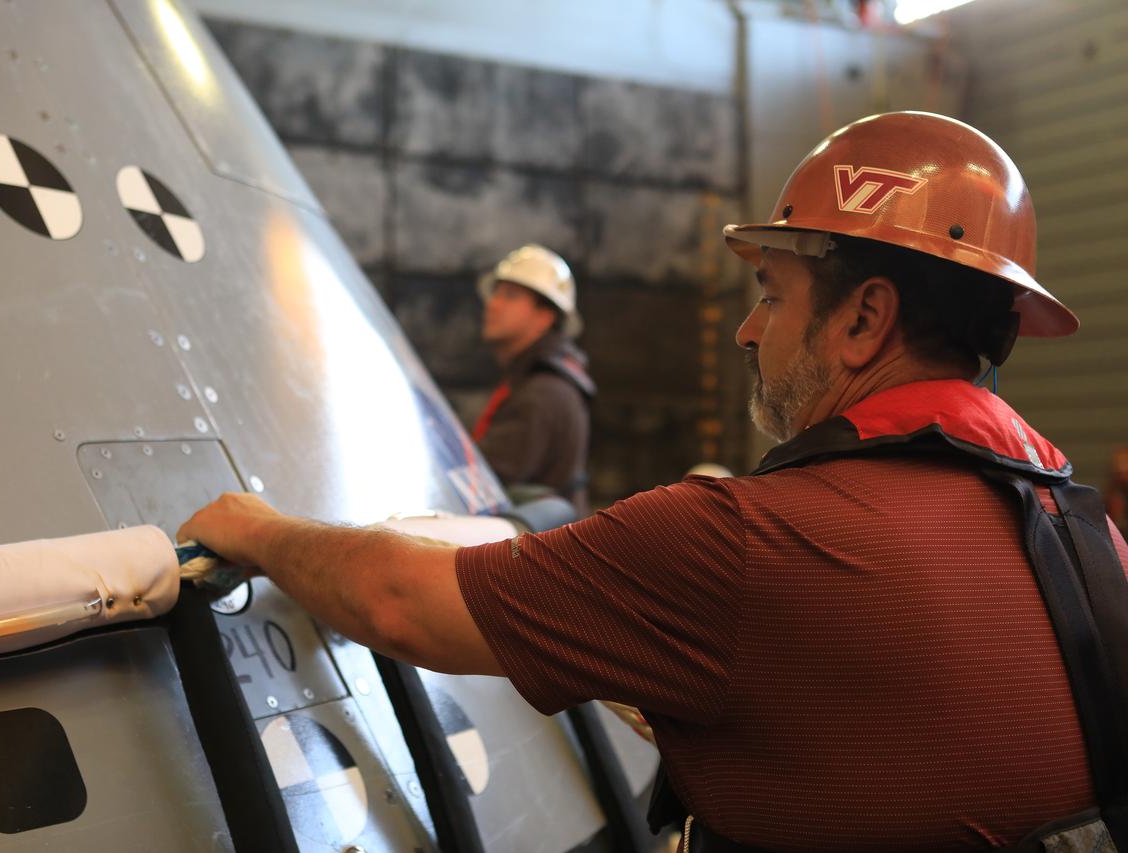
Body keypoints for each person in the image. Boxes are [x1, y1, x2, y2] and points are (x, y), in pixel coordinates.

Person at [180, 112, 1128, 851]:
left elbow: (400, 603)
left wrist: (257, 527)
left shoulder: (746, 544)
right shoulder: (1092, 538)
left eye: (772, 293)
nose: (750, 330)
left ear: (864, 318)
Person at [471, 244, 595, 516]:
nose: (493, 304)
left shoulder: (542, 393)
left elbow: (482, 479)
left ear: (545, 317)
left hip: (536, 550)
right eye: (496, 294)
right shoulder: (538, 380)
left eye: (510, 296)